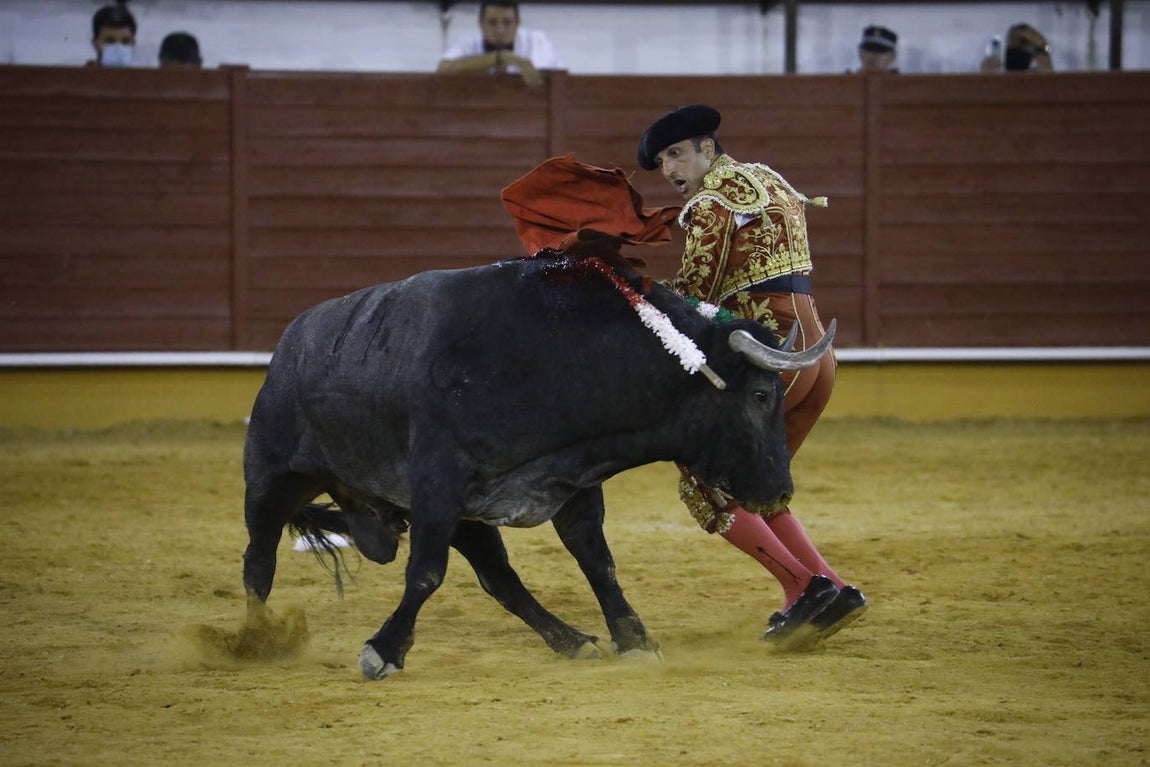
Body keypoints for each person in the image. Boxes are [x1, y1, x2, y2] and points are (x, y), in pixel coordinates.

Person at [636, 105, 867, 651]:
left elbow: (697, 295)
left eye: (677, 153)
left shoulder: (712, 203)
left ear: (707, 149)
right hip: (814, 354)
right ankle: (830, 587)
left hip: (767, 353)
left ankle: (800, 586)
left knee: (706, 480)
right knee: (757, 482)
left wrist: (640, 298)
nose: (670, 169)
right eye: (663, 161)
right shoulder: (767, 179)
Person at [437, 1, 563, 87]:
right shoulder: (467, 44)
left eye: (507, 23)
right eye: (492, 22)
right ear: (480, 23)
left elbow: (544, 78)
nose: (500, 31)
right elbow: (443, 70)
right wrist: (499, 58)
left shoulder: (535, 42)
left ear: (517, 23)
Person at [88, 1, 136, 68]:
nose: (118, 47)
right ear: (95, 43)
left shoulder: (143, 77)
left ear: (133, 43)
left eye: (125, 42)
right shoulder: (77, 77)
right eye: (110, 41)